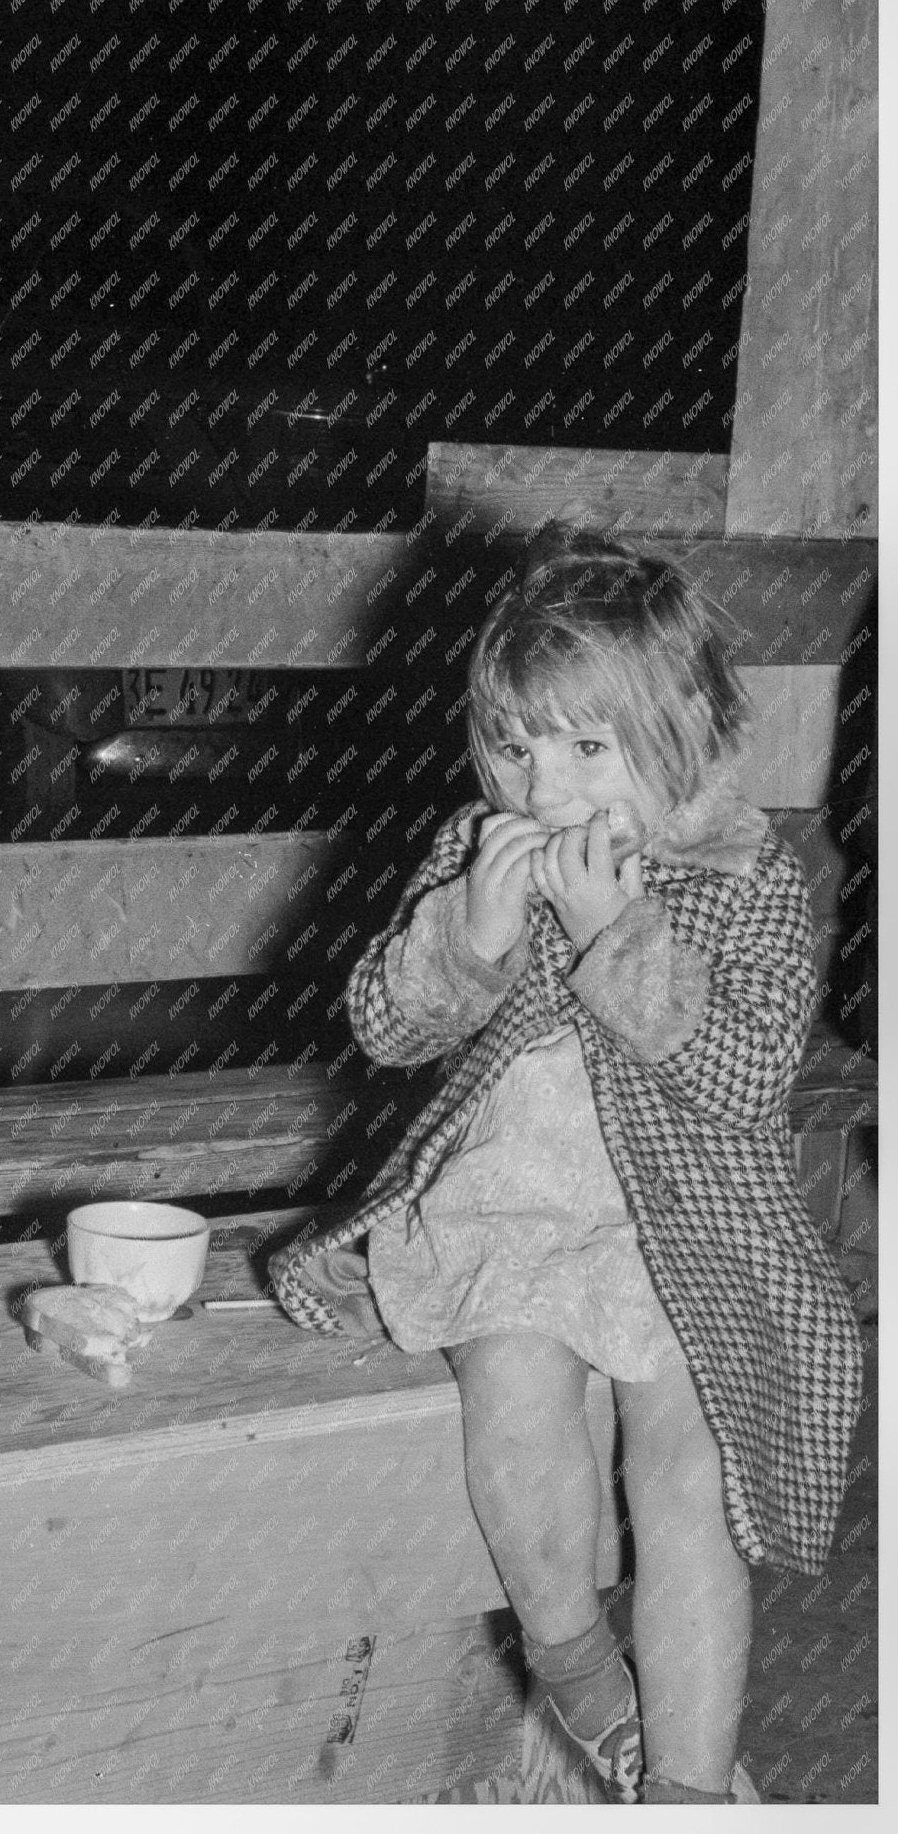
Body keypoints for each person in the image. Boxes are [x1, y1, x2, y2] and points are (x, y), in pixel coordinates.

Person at [270, 532, 862, 1805]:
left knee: (689, 1470)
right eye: (513, 746)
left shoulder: (747, 875)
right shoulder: (477, 849)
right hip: (515, 1203)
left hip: (688, 1225)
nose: (541, 787)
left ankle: (687, 1782)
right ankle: (577, 1661)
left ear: (691, 727)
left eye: (587, 747)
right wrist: (469, 935)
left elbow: (748, 1073)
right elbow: (385, 1027)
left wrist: (616, 932)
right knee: (515, 1389)